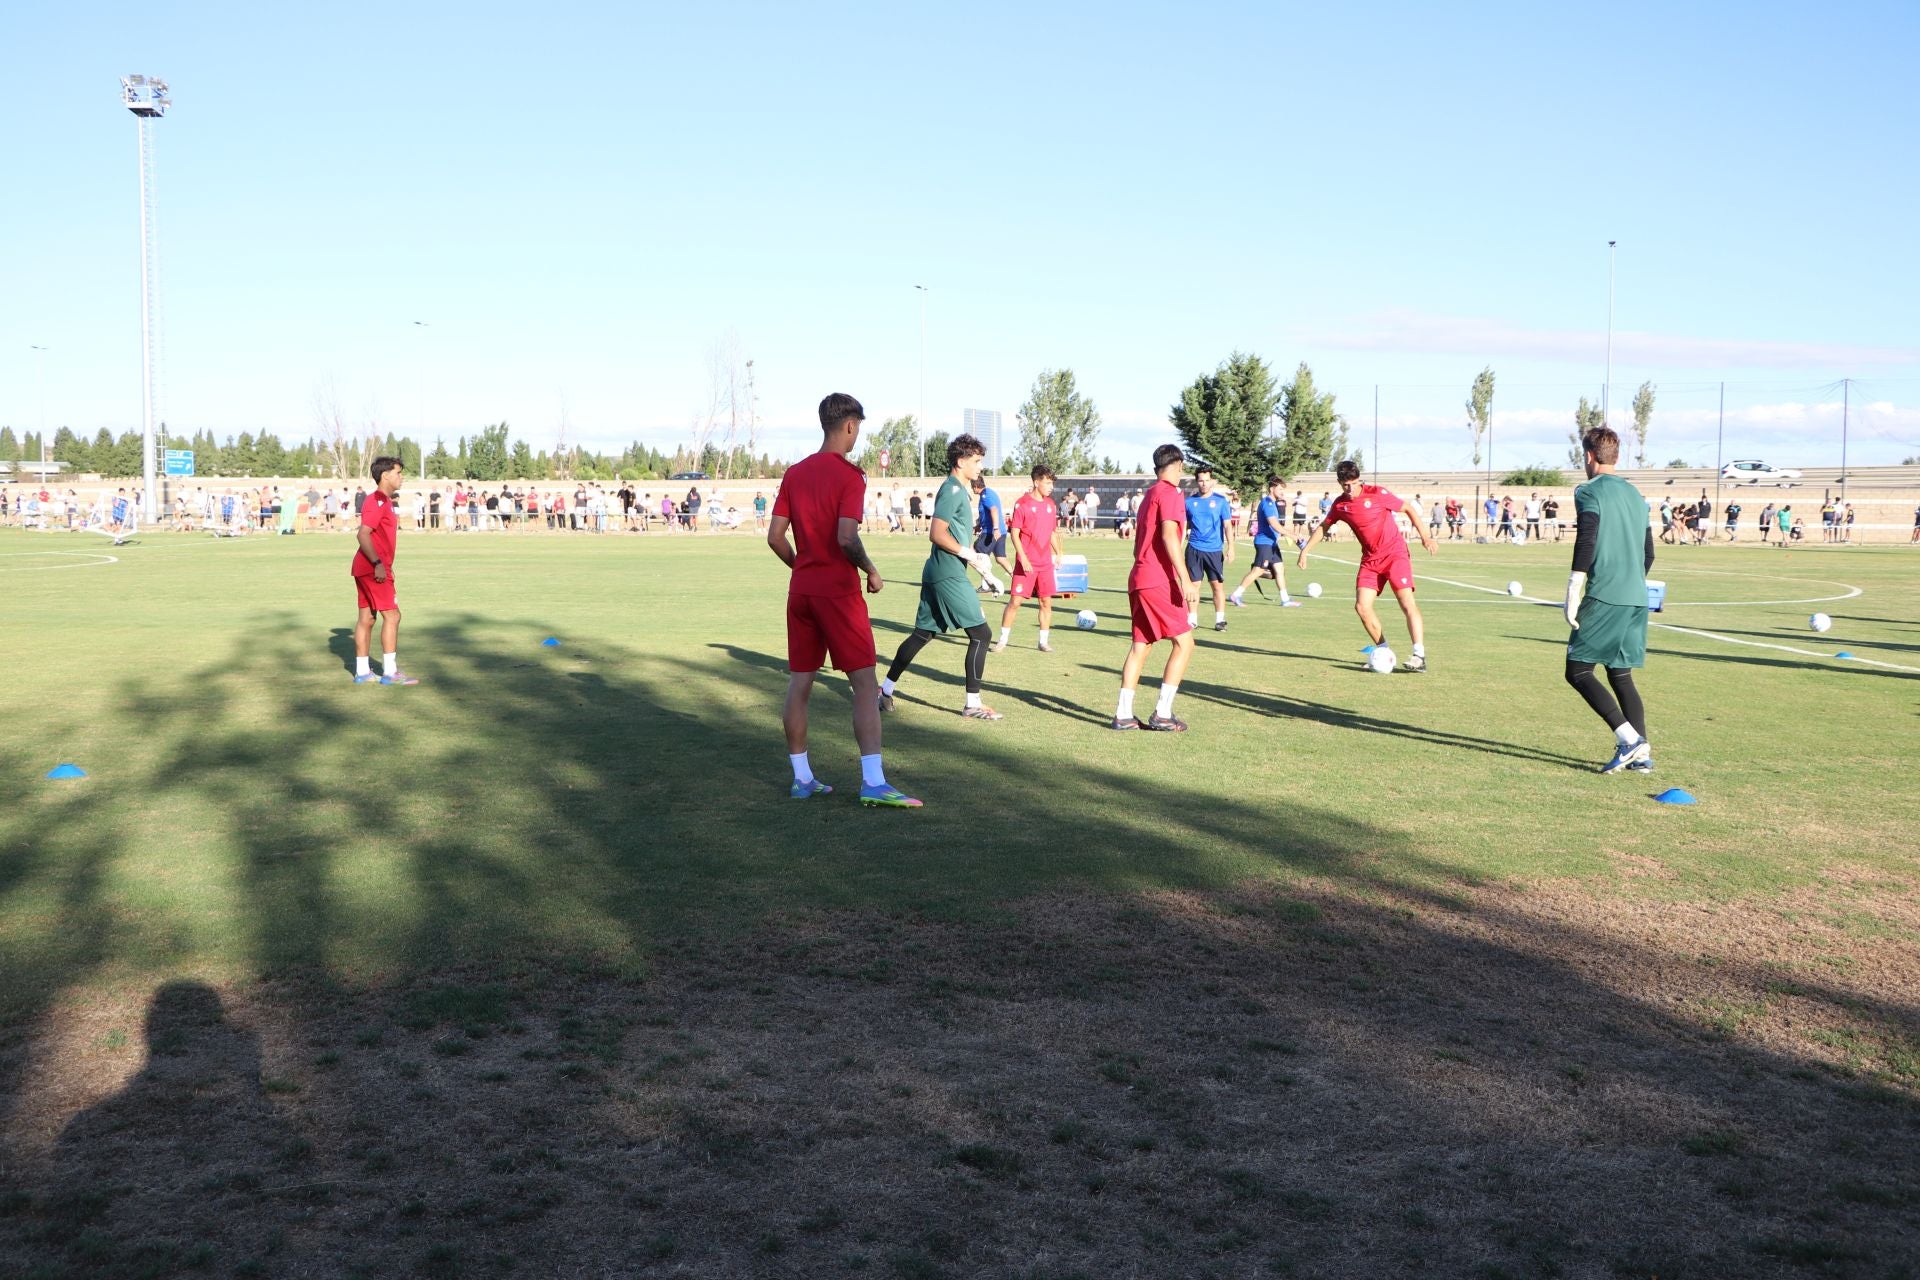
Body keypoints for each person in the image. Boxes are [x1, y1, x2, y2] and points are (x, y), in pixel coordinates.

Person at [767, 393, 917, 807]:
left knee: (800, 682)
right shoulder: (851, 476)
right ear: (850, 425)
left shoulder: (794, 473)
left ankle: (802, 778)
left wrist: (802, 567)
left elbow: (775, 537)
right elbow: (846, 537)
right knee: (865, 685)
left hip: (801, 592)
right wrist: (870, 568)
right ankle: (873, 782)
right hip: (837, 592)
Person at [880, 435, 1002, 722]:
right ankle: (972, 704)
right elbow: (937, 534)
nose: (980, 467)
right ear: (961, 462)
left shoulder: (960, 490)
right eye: (976, 461)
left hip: (943, 570)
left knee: (923, 634)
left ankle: (884, 691)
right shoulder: (953, 490)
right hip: (946, 573)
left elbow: (958, 540)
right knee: (982, 635)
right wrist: (969, 555)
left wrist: (987, 573)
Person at [1562, 426, 1656, 774]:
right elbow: (1649, 554)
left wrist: (1574, 587)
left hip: (1606, 596)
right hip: (1636, 597)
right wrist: (1631, 581)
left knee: (1578, 670)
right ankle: (1642, 755)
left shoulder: (1589, 491)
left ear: (1588, 456)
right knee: (1620, 675)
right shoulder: (1636, 496)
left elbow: (1587, 539)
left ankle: (1629, 740)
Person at [1298, 460, 1436, 672]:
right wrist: (1305, 550)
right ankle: (1384, 650)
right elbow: (1324, 526)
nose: (1350, 489)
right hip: (1370, 561)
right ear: (1339, 483)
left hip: (1395, 554)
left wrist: (1425, 537)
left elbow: (1407, 508)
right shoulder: (1339, 505)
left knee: (1406, 602)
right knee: (1362, 607)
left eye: (1353, 483)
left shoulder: (1377, 493)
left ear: (1359, 480)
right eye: (1345, 485)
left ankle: (1419, 655)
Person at [1114, 445, 1198, 731]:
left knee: (1141, 646)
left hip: (1137, 577)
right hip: (1157, 579)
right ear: (1178, 465)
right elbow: (1168, 535)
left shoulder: (1148, 494)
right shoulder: (1172, 493)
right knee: (1185, 643)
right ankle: (1162, 712)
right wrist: (1185, 579)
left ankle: (1123, 715)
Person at [351, 456, 418, 686]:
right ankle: (390, 673)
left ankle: (362, 673)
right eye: (398, 473)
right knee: (393, 615)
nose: (401, 477)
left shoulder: (385, 501)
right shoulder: (378, 500)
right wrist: (379, 563)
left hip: (367, 567)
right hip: (372, 567)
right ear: (385, 475)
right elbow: (363, 533)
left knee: (367, 619)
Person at [994, 465, 1063, 653]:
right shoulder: (1022, 504)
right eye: (1047, 482)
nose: (1051, 487)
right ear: (1036, 482)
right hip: (1026, 563)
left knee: (1046, 602)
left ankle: (1043, 642)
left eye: (1051, 483)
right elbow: (1014, 534)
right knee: (1015, 601)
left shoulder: (1050, 505)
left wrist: (1058, 553)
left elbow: (1052, 532)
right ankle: (1002, 640)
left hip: (1045, 564)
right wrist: (1022, 558)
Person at [1229, 475, 1298, 609]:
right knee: (1258, 570)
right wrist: (1291, 535)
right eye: (1280, 489)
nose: (1282, 492)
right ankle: (1236, 594)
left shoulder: (1273, 503)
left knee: (1279, 569)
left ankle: (1285, 599)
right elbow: (1274, 524)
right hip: (1264, 543)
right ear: (1272, 489)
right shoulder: (1267, 503)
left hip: (1272, 543)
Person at [1183, 465, 1236, 631]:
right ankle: (1192, 620)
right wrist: (1178, 547)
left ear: (1212, 481)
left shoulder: (1221, 501)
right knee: (1193, 586)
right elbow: (1183, 526)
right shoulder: (1189, 502)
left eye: (1207, 480)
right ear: (1196, 482)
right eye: (1200, 481)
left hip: (1214, 550)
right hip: (1194, 549)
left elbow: (1227, 526)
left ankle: (1220, 620)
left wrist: (1231, 548)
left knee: (1217, 586)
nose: (1204, 484)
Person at [971, 474, 1009, 594]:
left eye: (972, 487)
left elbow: (993, 509)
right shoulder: (989, 493)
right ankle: (1017, 579)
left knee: (975, 552)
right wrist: (978, 525)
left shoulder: (985, 495)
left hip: (991, 532)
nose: (972, 489)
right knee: (1001, 558)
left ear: (976, 486)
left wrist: (995, 528)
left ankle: (987, 584)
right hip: (1000, 532)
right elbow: (985, 513)